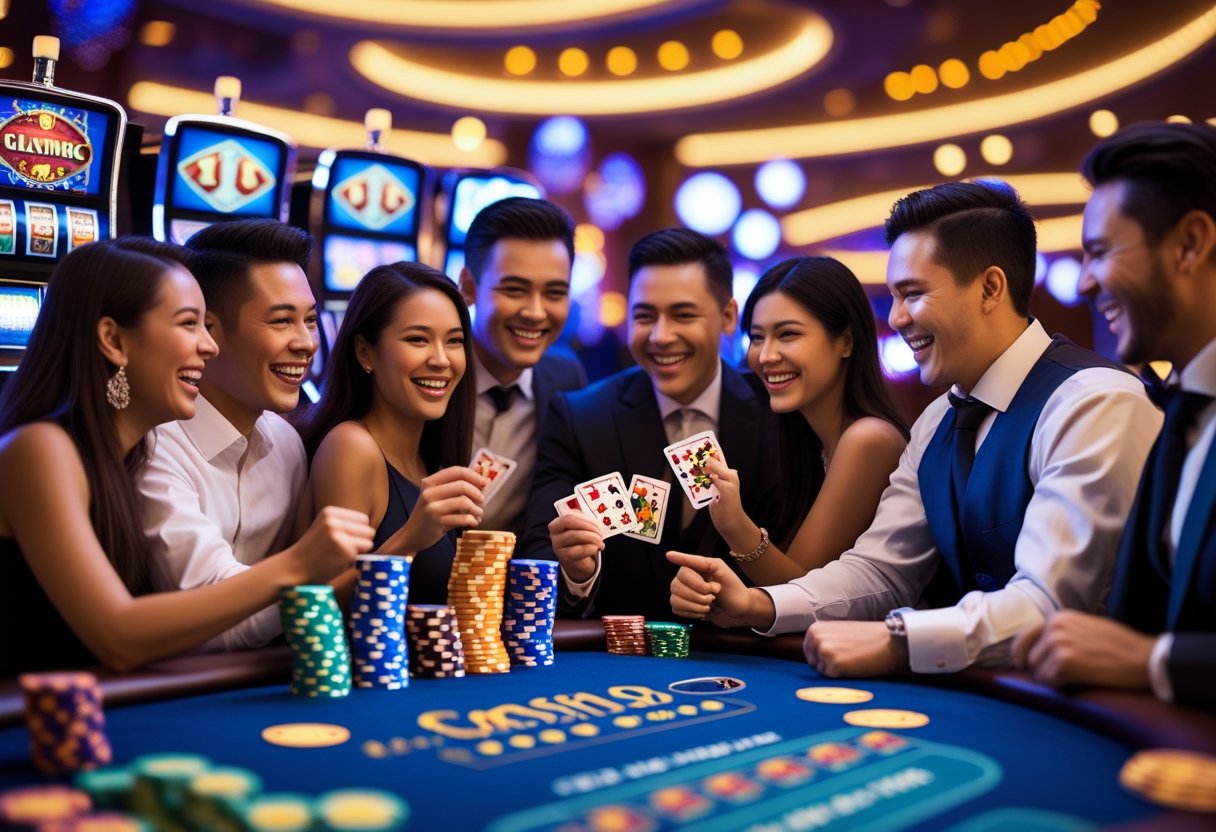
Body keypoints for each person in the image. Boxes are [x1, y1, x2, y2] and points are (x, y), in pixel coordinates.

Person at [669, 179, 1162, 677]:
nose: (898, 318)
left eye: (914, 294)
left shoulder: (1092, 399)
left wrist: (897, 640)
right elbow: (880, 569)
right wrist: (760, 605)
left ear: (991, 287)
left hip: (1109, 714)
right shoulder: (937, 421)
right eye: (894, 297)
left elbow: (1050, 601)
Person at [0, 239, 373, 675]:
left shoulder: (127, 452)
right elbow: (119, 638)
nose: (209, 347)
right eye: (188, 325)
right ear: (114, 340)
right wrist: (299, 564)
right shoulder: (41, 448)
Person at [1013, 122, 1216, 709]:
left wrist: (1151, 661)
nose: (1083, 281)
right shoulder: (1178, 409)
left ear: (1190, 243)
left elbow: (1145, 647)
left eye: (1100, 252)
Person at [520, 228, 794, 619]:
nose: (662, 336)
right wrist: (577, 572)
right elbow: (539, 557)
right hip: (616, 663)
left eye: (683, 315)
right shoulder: (579, 416)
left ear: (728, 316)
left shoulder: (778, 414)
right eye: (645, 316)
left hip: (751, 656)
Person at [137, 219, 355, 651]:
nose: (306, 342)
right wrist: (391, 556)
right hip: (165, 695)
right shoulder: (155, 445)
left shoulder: (287, 443)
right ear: (208, 332)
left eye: (310, 320)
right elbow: (213, 623)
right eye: (281, 321)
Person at [705, 256, 909, 585]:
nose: (766, 356)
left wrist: (734, 524)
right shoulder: (806, 440)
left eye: (787, 334)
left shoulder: (869, 438)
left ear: (846, 341)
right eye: (757, 338)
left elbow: (799, 594)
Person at [302, 262, 487, 602]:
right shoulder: (351, 446)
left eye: (455, 341)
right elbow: (321, 608)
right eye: (418, 339)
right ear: (365, 352)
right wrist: (410, 540)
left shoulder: (428, 455)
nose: (442, 360)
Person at [458, 197, 586, 535]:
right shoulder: (428, 373)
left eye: (554, 293)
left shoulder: (567, 378)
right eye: (515, 290)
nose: (535, 312)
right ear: (469, 287)